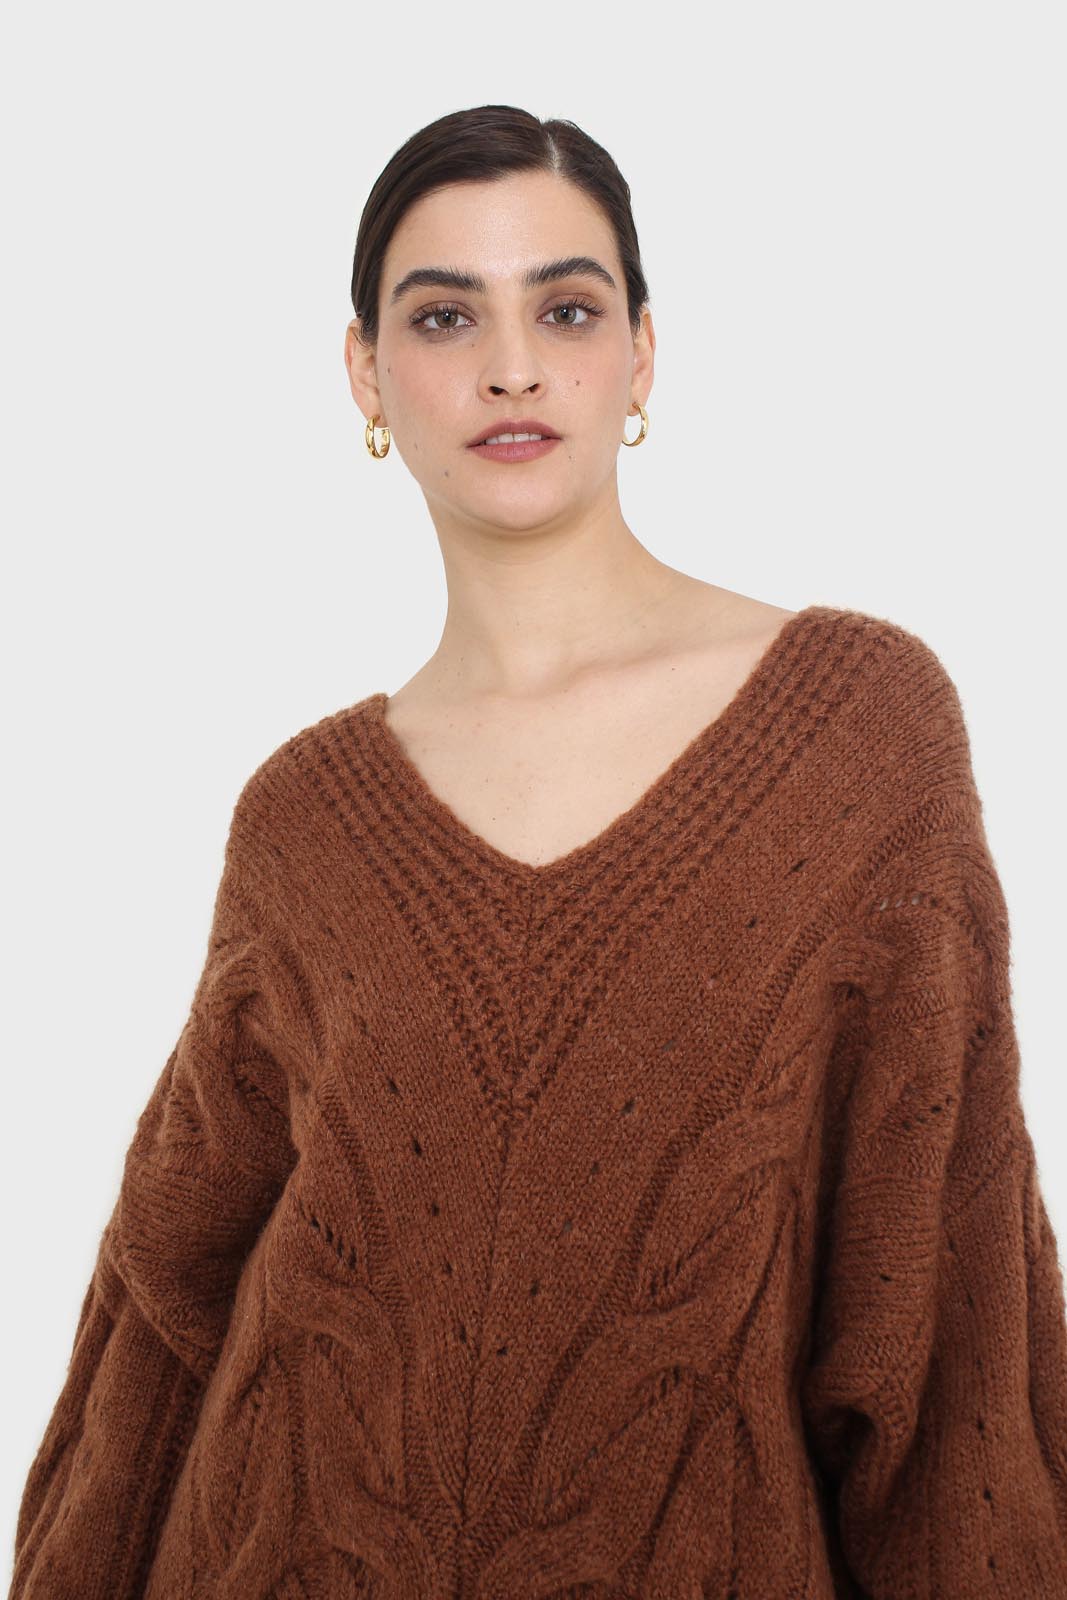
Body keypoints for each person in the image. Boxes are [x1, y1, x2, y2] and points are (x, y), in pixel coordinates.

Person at [10, 103, 1067, 1600]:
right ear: (367, 374)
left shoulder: (861, 731)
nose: (511, 366)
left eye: (565, 308)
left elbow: (947, 1321)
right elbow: (166, 1298)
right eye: (445, 316)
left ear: (642, 355)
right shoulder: (303, 819)